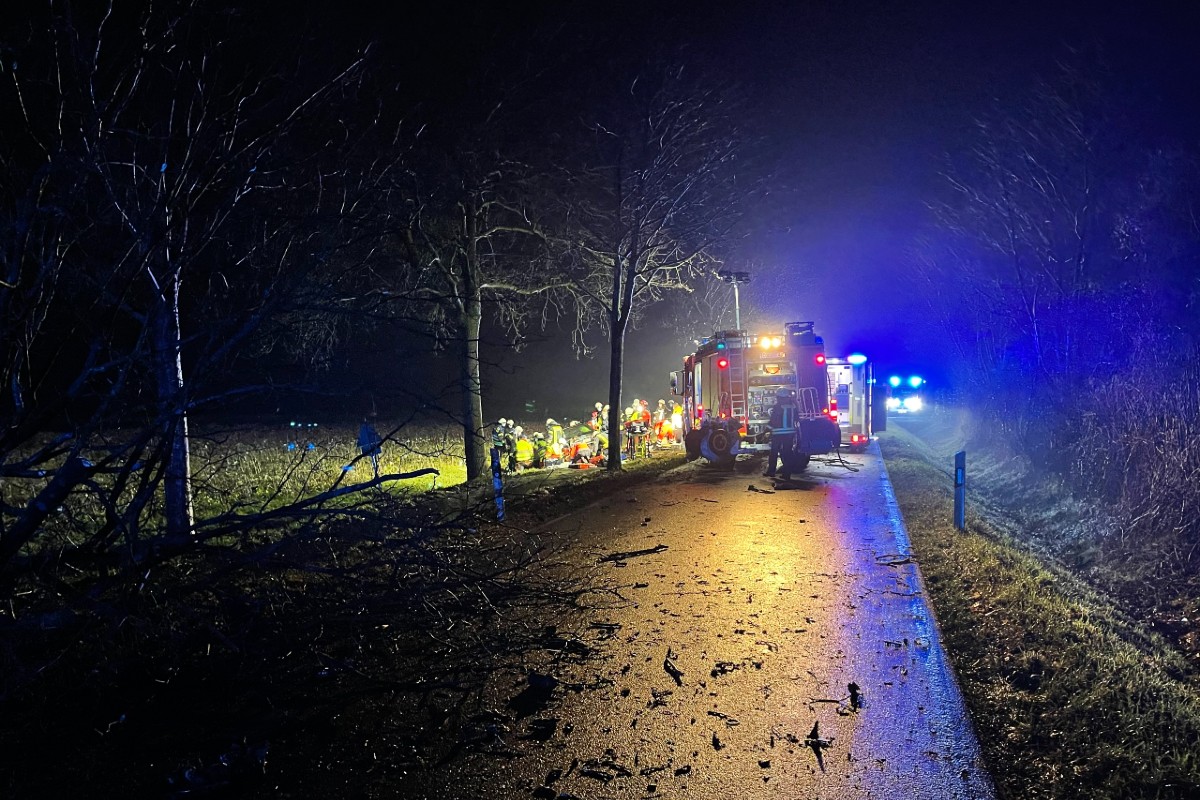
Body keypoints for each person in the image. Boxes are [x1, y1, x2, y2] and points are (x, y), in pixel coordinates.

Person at [765, 388, 798, 480]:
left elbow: (773, 420)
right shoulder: (793, 406)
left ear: (779, 397)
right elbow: (796, 419)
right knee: (787, 452)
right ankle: (787, 474)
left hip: (778, 433)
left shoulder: (778, 406)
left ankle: (771, 471)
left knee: (774, 452)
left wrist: (766, 430)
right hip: (790, 433)